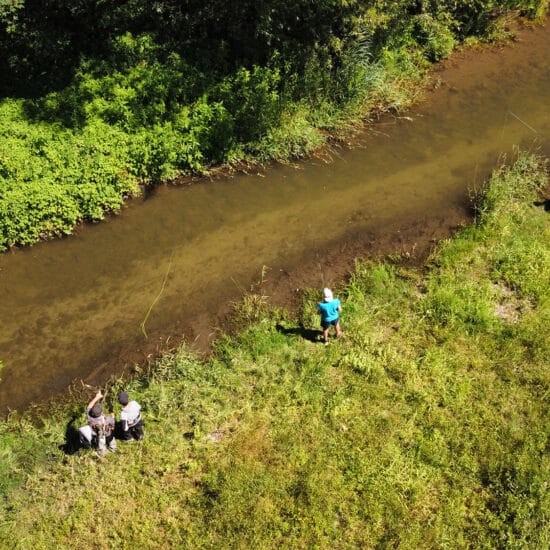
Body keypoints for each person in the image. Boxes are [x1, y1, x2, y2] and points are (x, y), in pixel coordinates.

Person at [78, 390, 116, 456]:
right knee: (111, 440)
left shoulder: (89, 416)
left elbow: (89, 407)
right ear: (101, 412)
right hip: (107, 433)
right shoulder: (106, 419)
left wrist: (97, 397)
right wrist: (112, 415)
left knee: (100, 443)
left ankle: (102, 452)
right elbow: (113, 422)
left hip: (96, 433)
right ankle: (112, 449)